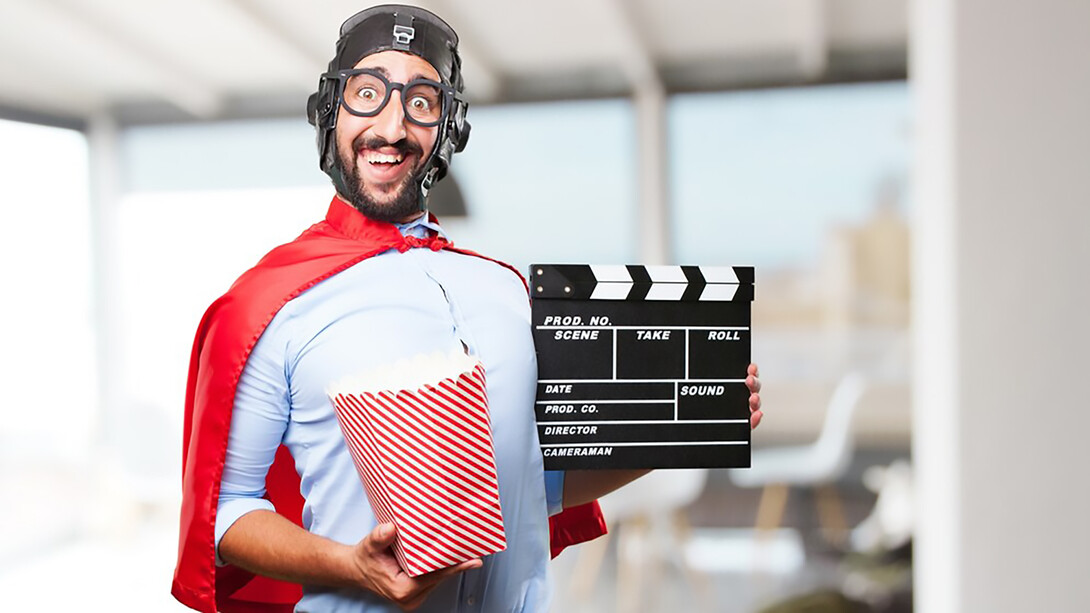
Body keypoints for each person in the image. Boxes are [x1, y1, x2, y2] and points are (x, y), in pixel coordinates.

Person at [172, 5, 763, 612]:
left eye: (422, 102)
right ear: (330, 112)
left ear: (449, 129)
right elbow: (228, 512)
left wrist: (684, 424)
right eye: (367, 94)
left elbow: (534, 484)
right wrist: (348, 565)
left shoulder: (505, 290)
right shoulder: (272, 304)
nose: (392, 127)